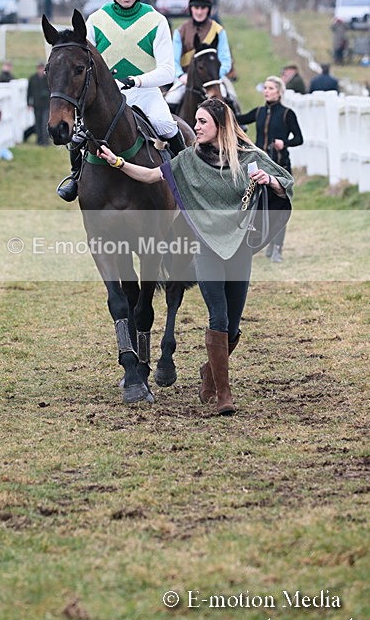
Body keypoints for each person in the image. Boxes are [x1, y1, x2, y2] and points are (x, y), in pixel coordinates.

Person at [97, 97, 293, 415]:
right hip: (206, 248)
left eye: (202, 122)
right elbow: (151, 176)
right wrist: (118, 163)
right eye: (197, 121)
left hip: (240, 249)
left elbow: (285, 183)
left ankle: (210, 372)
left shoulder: (249, 157)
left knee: (233, 328)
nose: (196, 127)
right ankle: (223, 395)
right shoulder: (188, 159)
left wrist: (269, 181)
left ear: (220, 125)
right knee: (218, 317)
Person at [57, 0, 186, 202]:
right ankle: (75, 177)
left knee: (165, 125)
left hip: (146, 94)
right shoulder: (96, 20)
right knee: (79, 135)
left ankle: (185, 176)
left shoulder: (156, 20)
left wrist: (135, 81)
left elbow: (168, 71)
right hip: (107, 98)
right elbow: (84, 60)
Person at [236, 76, 303, 263]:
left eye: (271, 88)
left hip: (280, 166)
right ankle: (265, 241)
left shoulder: (287, 114)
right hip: (259, 166)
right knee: (259, 207)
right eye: (265, 87)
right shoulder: (258, 112)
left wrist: (284, 143)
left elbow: (299, 138)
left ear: (279, 92)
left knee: (279, 208)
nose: (266, 91)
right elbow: (238, 119)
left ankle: (277, 249)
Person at [165, 0, 236, 113]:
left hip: (213, 78)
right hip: (186, 78)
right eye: (196, 8)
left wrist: (215, 76)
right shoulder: (180, 31)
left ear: (208, 10)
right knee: (170, 99)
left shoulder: (218, 30)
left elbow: (225, 60)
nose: (199, 12)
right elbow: (173, 60)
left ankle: (236, 122)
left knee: (229, 97)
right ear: (191, 9)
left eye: (203, 8)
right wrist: (181, 75)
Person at [27, 61, 50, 146]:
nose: (40, 69)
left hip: (46, 104)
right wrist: (28, 103)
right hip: (36, 104)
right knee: (38, 123)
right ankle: (39, 139)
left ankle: (45, 140)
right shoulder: (32, 78)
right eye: (39, 68)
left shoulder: (47, 78)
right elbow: (29, 92)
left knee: (45, 122)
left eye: (41, 68)